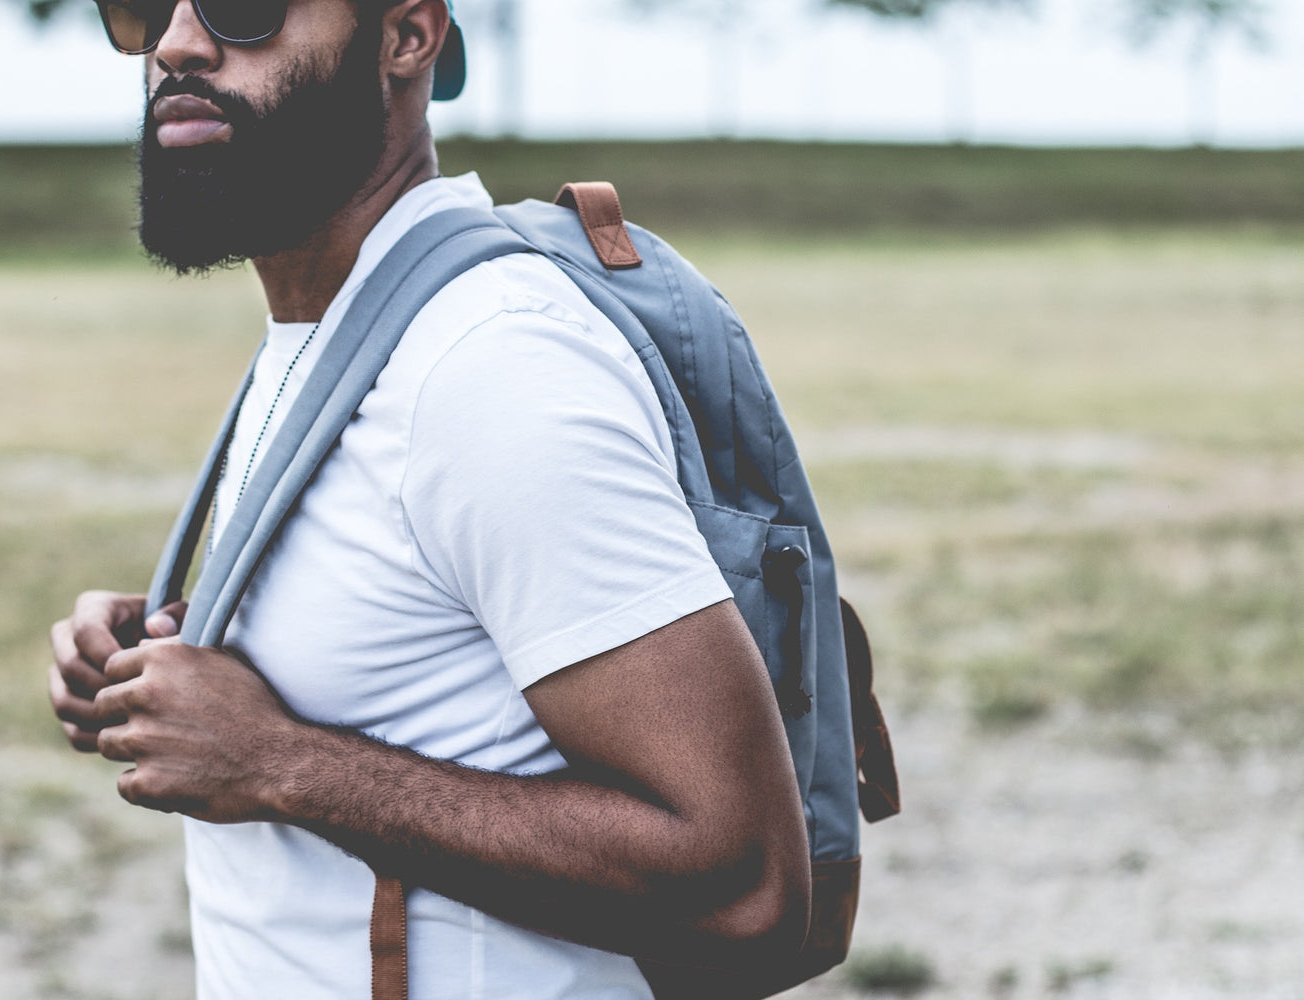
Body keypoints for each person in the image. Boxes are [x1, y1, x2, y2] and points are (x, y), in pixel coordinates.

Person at [46, 1, 810, 996]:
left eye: (244, 6)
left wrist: (282, 762)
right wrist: (166, 668)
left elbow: (744, 886)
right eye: (147, 8)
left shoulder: (488, 368)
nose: (179, 45)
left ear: (408, 35)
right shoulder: (344, 325)